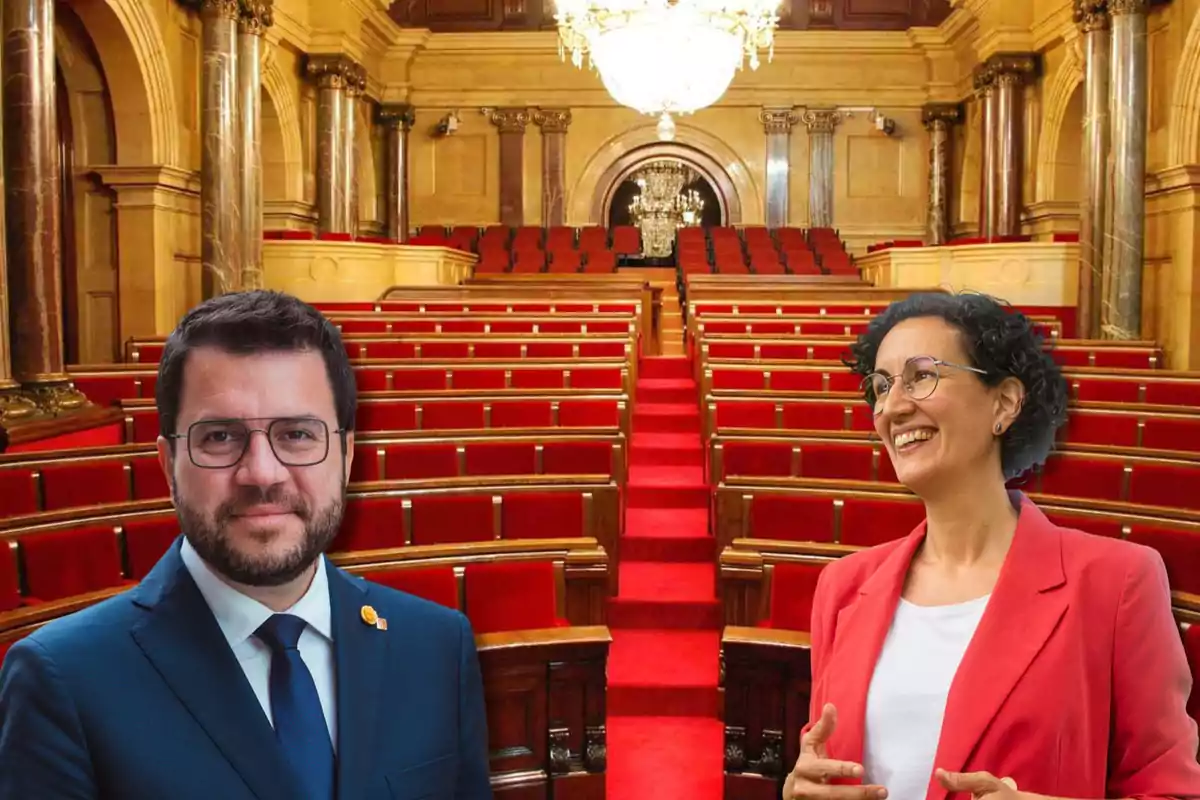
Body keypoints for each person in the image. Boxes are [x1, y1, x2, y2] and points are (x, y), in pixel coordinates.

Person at [0, 291, 493, 799]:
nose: (261, 473)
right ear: (169, 464)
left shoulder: (436, 647)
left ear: (346, 456)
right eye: (219, 437)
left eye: (298, 434)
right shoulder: (63, 680)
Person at [784, 292, 1200, 800]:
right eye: (881, 385)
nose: (892, 405)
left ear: (1003, 402)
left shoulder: (1118, 582)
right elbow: (824, 763)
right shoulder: (843, 587)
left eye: (921, 375)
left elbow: (1169, 789)